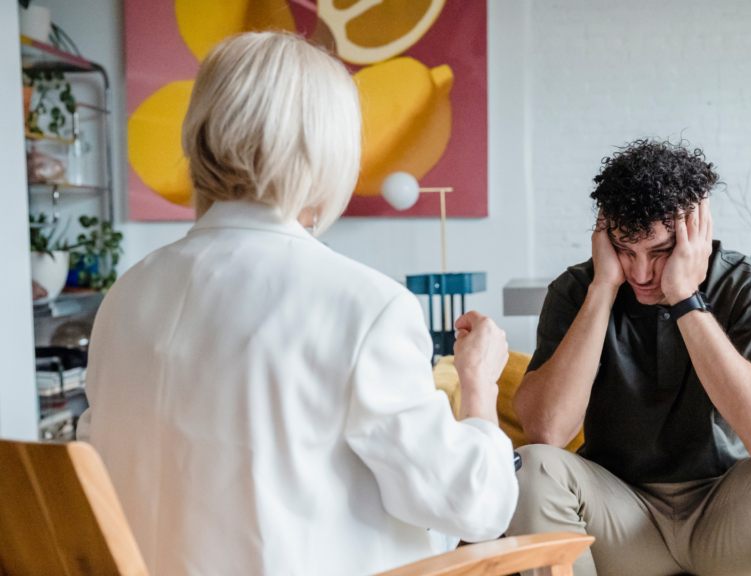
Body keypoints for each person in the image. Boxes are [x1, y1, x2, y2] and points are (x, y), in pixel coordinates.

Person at [77, 32, 517, 576]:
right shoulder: (367, 307)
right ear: (329, 150)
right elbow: (473, 507)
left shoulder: (126, 295)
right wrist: (479, 388)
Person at [506, 139, 751, 576]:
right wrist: (604, 289)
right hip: (621, 518)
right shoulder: (579, 290)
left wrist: (685, 298)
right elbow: (546, 431)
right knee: (530, 468)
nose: (643, 273)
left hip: (725, 515)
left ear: (697, 229)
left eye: (660, 251)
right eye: (626, 251)